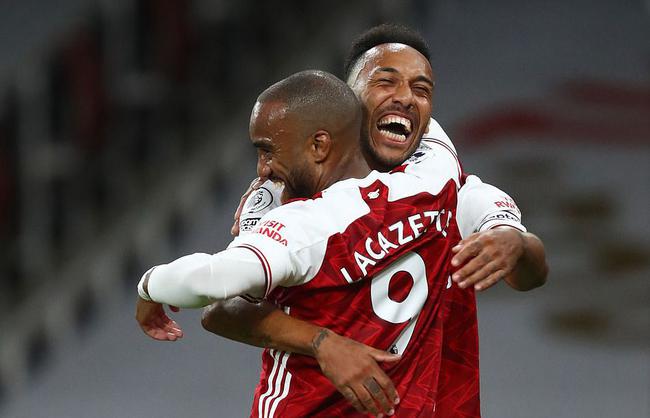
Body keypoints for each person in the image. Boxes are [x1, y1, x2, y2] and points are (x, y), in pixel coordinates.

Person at [136, 70, 546, 417]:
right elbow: (222, 310)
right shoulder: (437, 180)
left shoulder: (306, 224)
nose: (262, 169)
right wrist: (323, 342)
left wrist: (150, 285)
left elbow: (212, 284)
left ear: (320, 144)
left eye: (267, 151)